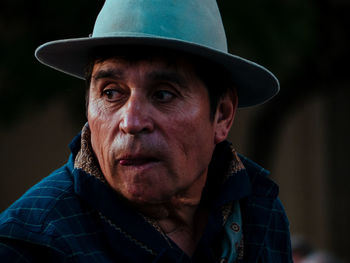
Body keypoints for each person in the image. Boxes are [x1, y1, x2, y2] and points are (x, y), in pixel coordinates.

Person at [0, 0, 292, 262]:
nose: (131, 122)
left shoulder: (258, 211)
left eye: (164, 94)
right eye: (111, 92)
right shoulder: (29, 246)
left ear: (222, 115)